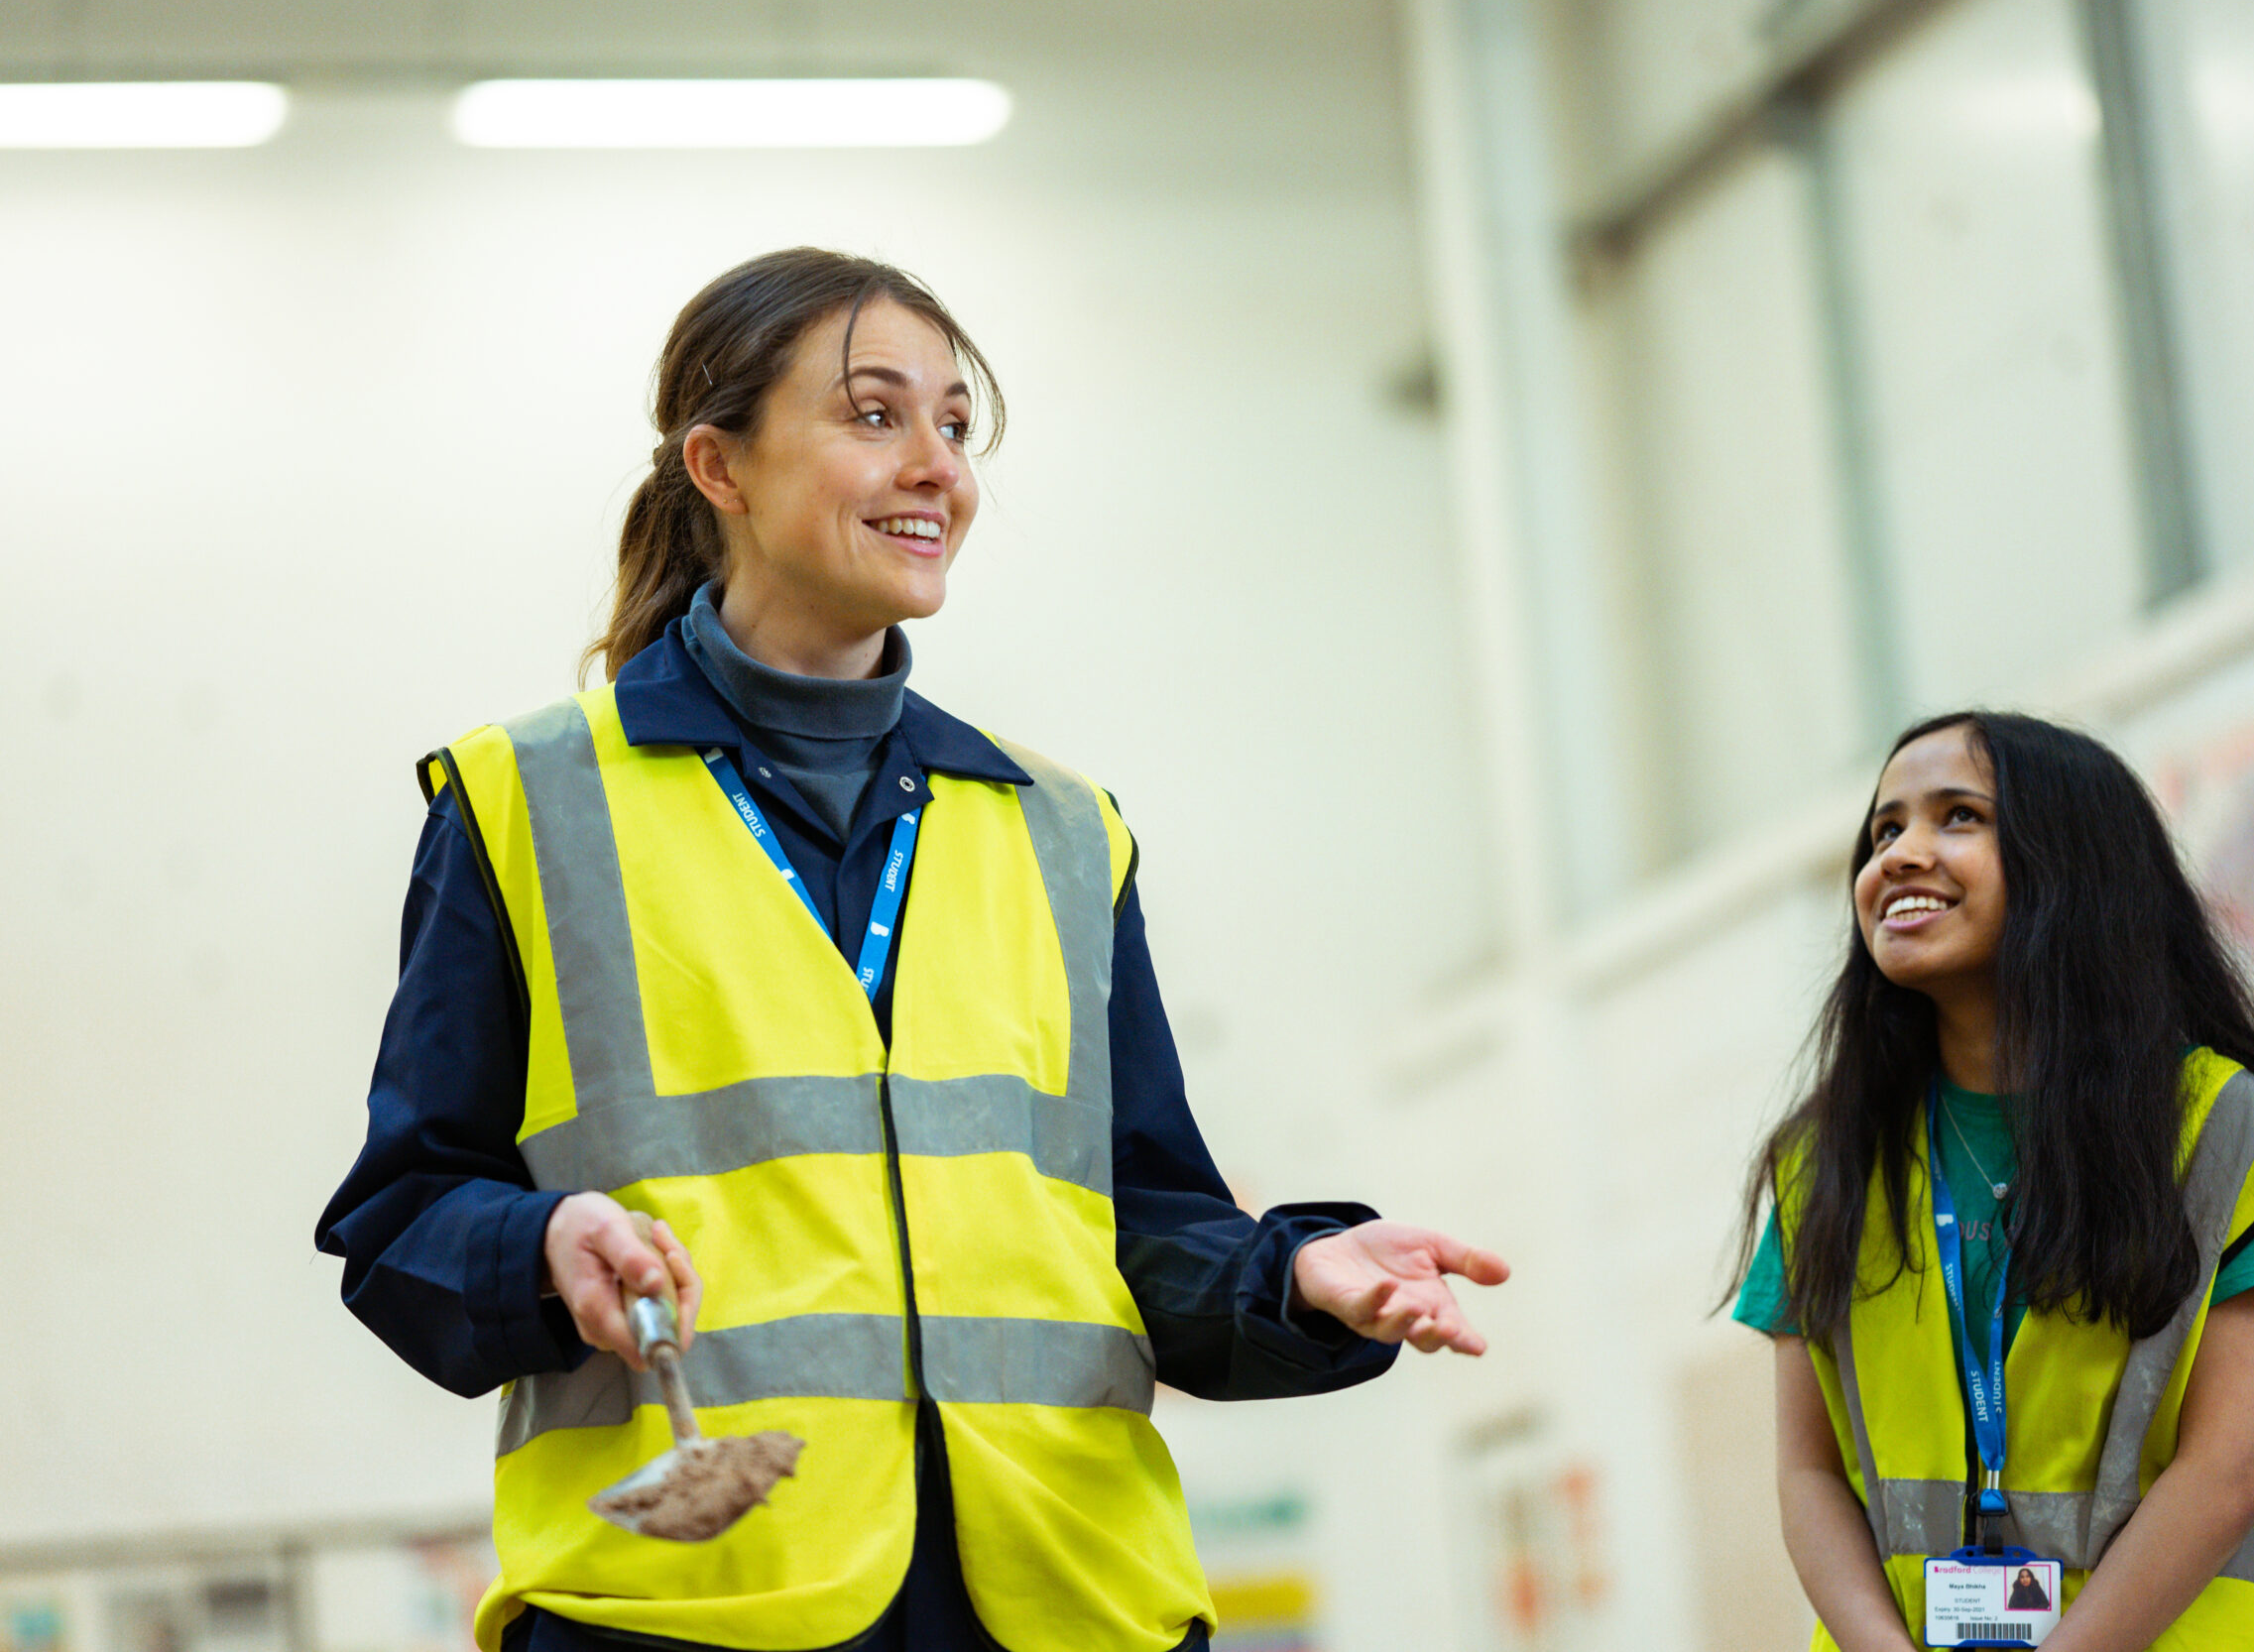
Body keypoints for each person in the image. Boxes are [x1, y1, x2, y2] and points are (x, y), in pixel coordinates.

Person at [318, 247, 1509, 1652]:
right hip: (695, 1610)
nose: (934, 464)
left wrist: (1291, 1276)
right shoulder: (527, 803)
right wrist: (540, 1242)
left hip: (1070, 1600)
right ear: (720, 465)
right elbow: (400, 1224)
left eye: (954, 424)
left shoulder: (1065, 830)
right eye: (874, 414)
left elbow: (1141, 1229)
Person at [1728, 711, 2254, 1650]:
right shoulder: (1822, 1163)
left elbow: (2227, 1471)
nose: (1900, 854)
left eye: (1958, 816)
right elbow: (1807, 1474)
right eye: (1884, 830)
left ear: (2073, 866)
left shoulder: (2229, 1133)